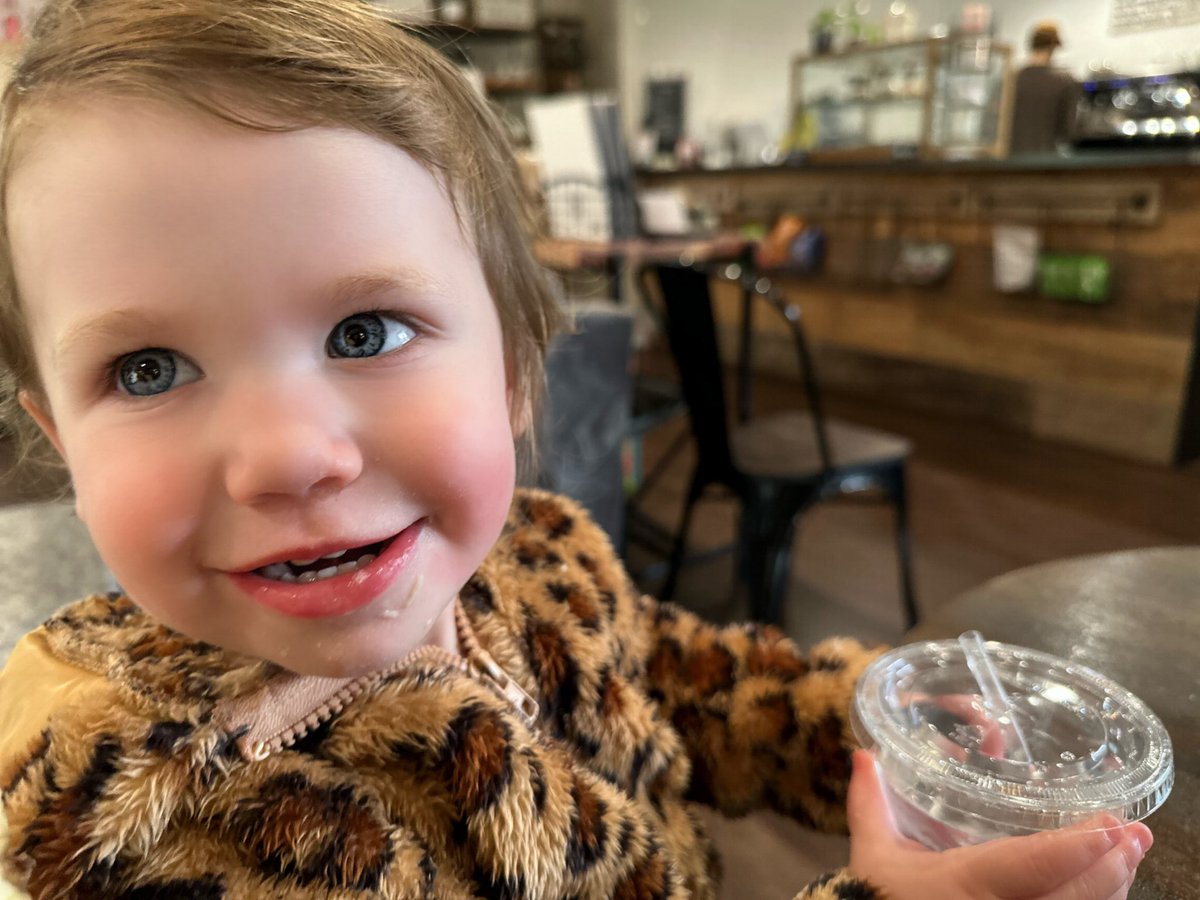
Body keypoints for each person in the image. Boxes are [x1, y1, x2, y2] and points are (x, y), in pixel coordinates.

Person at [0, 2, 1151, 898]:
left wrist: (878, 730)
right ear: (56, 433)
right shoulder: (151, 819)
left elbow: (689, 682)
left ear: (515, 371)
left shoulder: (541, 557)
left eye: (367, 331)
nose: (287, 458)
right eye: (147, 369)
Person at [1010, 20, 1080, 155]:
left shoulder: (1011, 80)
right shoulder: (1064, 81)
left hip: (1010, 162)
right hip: (1045, 161)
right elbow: (1068, 131)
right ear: (1054, 45)